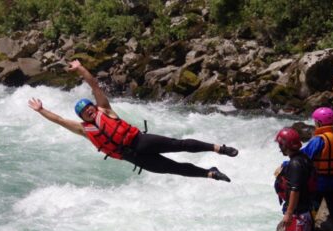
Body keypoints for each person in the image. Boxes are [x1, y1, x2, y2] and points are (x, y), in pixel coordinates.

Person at [28, 60, 238, 181]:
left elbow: (95, 86)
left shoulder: (105, 110)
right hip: (134, 157)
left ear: (94, 107)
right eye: (85, 113)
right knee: (173, 168)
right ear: (82, 118)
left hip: (140, 141)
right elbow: (58, 119)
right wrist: (41, 110)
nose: (90, 113)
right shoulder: (83, 130)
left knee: (178, 145)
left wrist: (81, 69)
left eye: (90, 109)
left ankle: (219, 148)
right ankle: (210, 173)